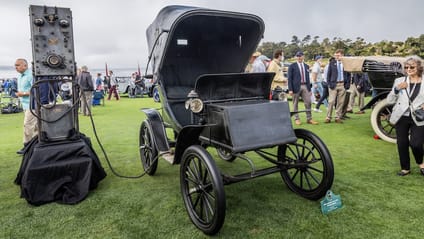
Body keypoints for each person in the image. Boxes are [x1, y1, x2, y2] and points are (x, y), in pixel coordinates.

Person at [386, 56, 424, 176]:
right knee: (402, 143)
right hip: (401, 116)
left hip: (419, 116)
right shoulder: (399, 81)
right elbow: (390, 100)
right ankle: (405, 168)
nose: (408, 69)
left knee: (416, 143)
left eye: (412, 67)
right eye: (406, 67)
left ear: (419, 67)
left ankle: (421, 163)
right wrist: (397, 89)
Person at [288, 51, 318, 125]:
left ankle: (309, 119)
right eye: (297, 56)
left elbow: (308, 78)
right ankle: (297, 119)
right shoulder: (292, 66)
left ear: (303, 56)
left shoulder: (306, 66)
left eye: (300, 56)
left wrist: (309, 89)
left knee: (308, 102)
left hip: (305, 86)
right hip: (295, 87)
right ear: (296, 57)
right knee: (295, 103)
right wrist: (290, 89)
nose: (299, 57)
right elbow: (289, 78)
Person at [15, 58, 36, 154]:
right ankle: (35, 145)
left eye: (18, 65)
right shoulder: (19, 76)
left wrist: (22, 93)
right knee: (35, 126)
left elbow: (35, 89)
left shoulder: (30, 75)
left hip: (32, 104)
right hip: (25, 105)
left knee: (27, 125)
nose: (16, 67)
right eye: (15, 65)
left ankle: (27, 146)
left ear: (25, 65)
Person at [325, 49, 350, 123]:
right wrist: (329, 84)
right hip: (333, 85)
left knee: (340, 102)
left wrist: (347, 85)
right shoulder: (332, 63)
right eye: (336, 55)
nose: (336, 57)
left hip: (342, 85)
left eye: (338, 55)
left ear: (342, 55)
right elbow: (328, 75)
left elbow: (348, 75)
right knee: (331, 101)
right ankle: (328, 117)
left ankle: (337, 117)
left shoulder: (346, 63)